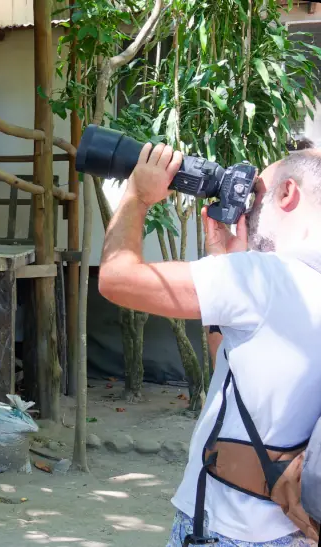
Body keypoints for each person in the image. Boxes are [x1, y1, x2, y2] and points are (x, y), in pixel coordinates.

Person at [97, 143, 321, 546]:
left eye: (256, 193)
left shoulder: (265, 277)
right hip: (295, 529)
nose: (247, 208)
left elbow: (116, 279)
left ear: (288, 193)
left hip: (225, 531)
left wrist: (137, 195)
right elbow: (234, 367)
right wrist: (223, 258)